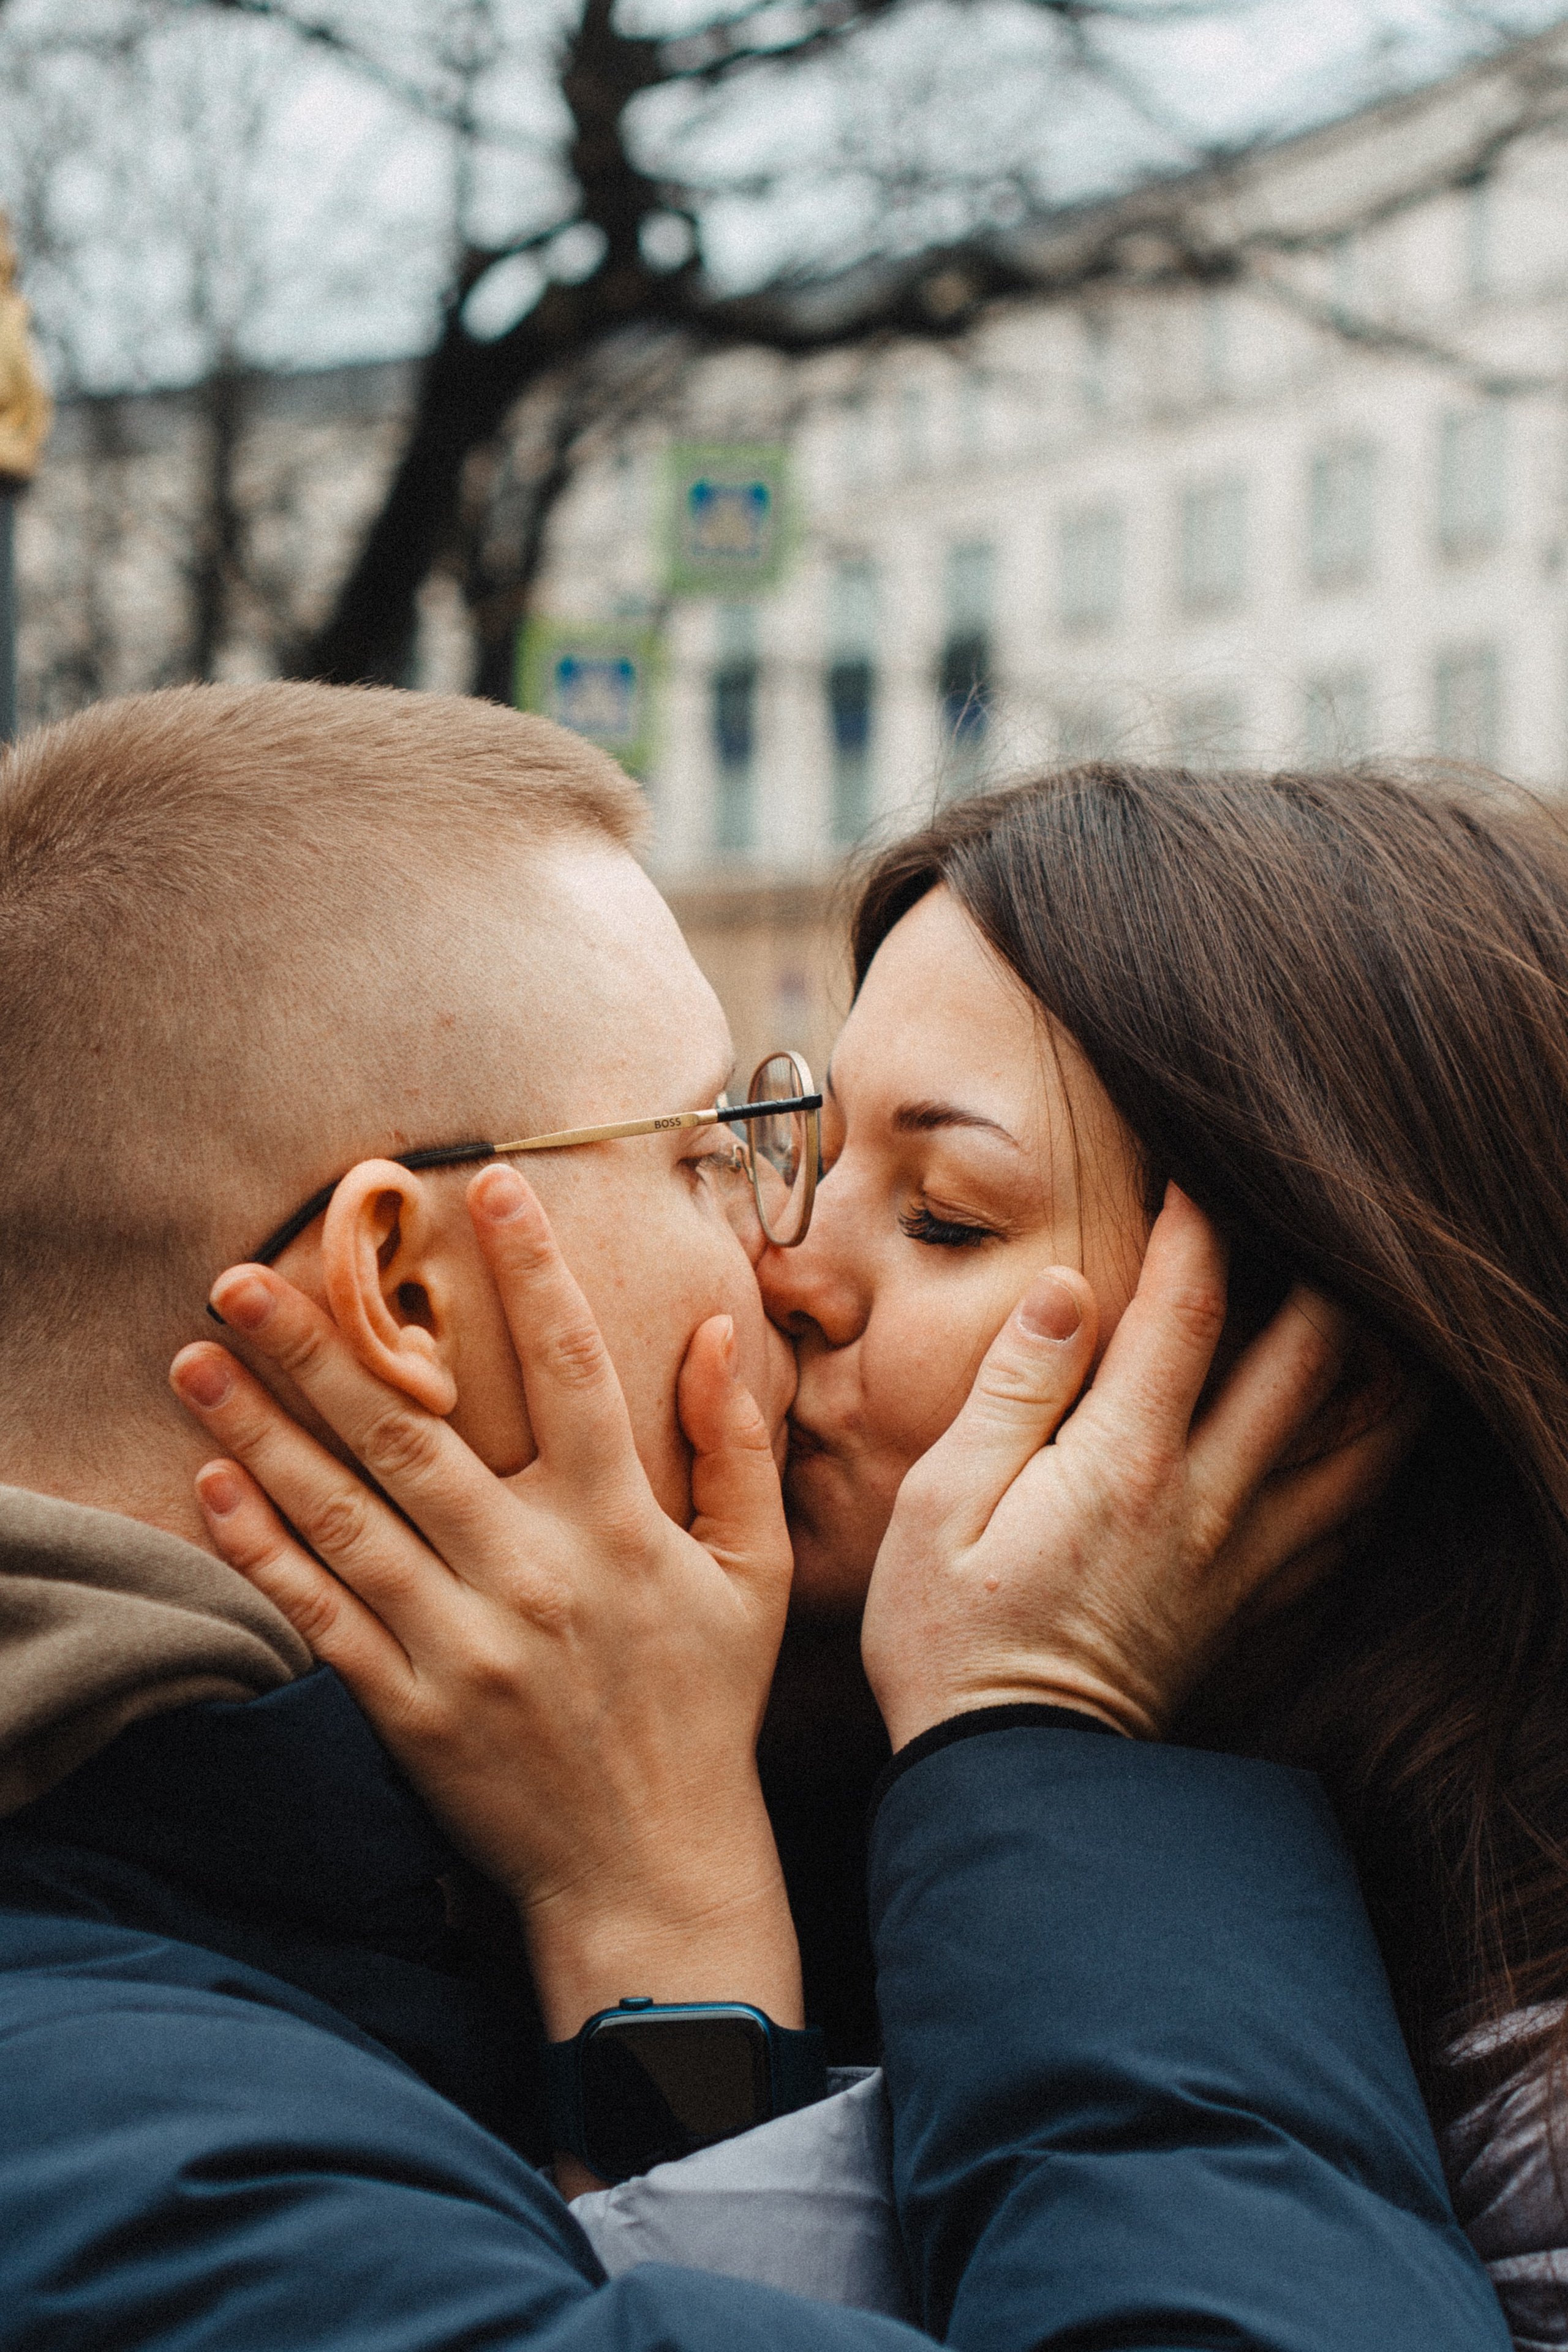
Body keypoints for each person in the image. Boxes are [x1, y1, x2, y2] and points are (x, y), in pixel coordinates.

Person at [0, 687, 1504, 2349]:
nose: (782, 1261)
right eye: (714, 1150)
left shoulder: (421, 1888)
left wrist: (668, 1922)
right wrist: (1039, 1742)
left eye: (935, 1214)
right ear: (406, 1294)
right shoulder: (181, 2178)